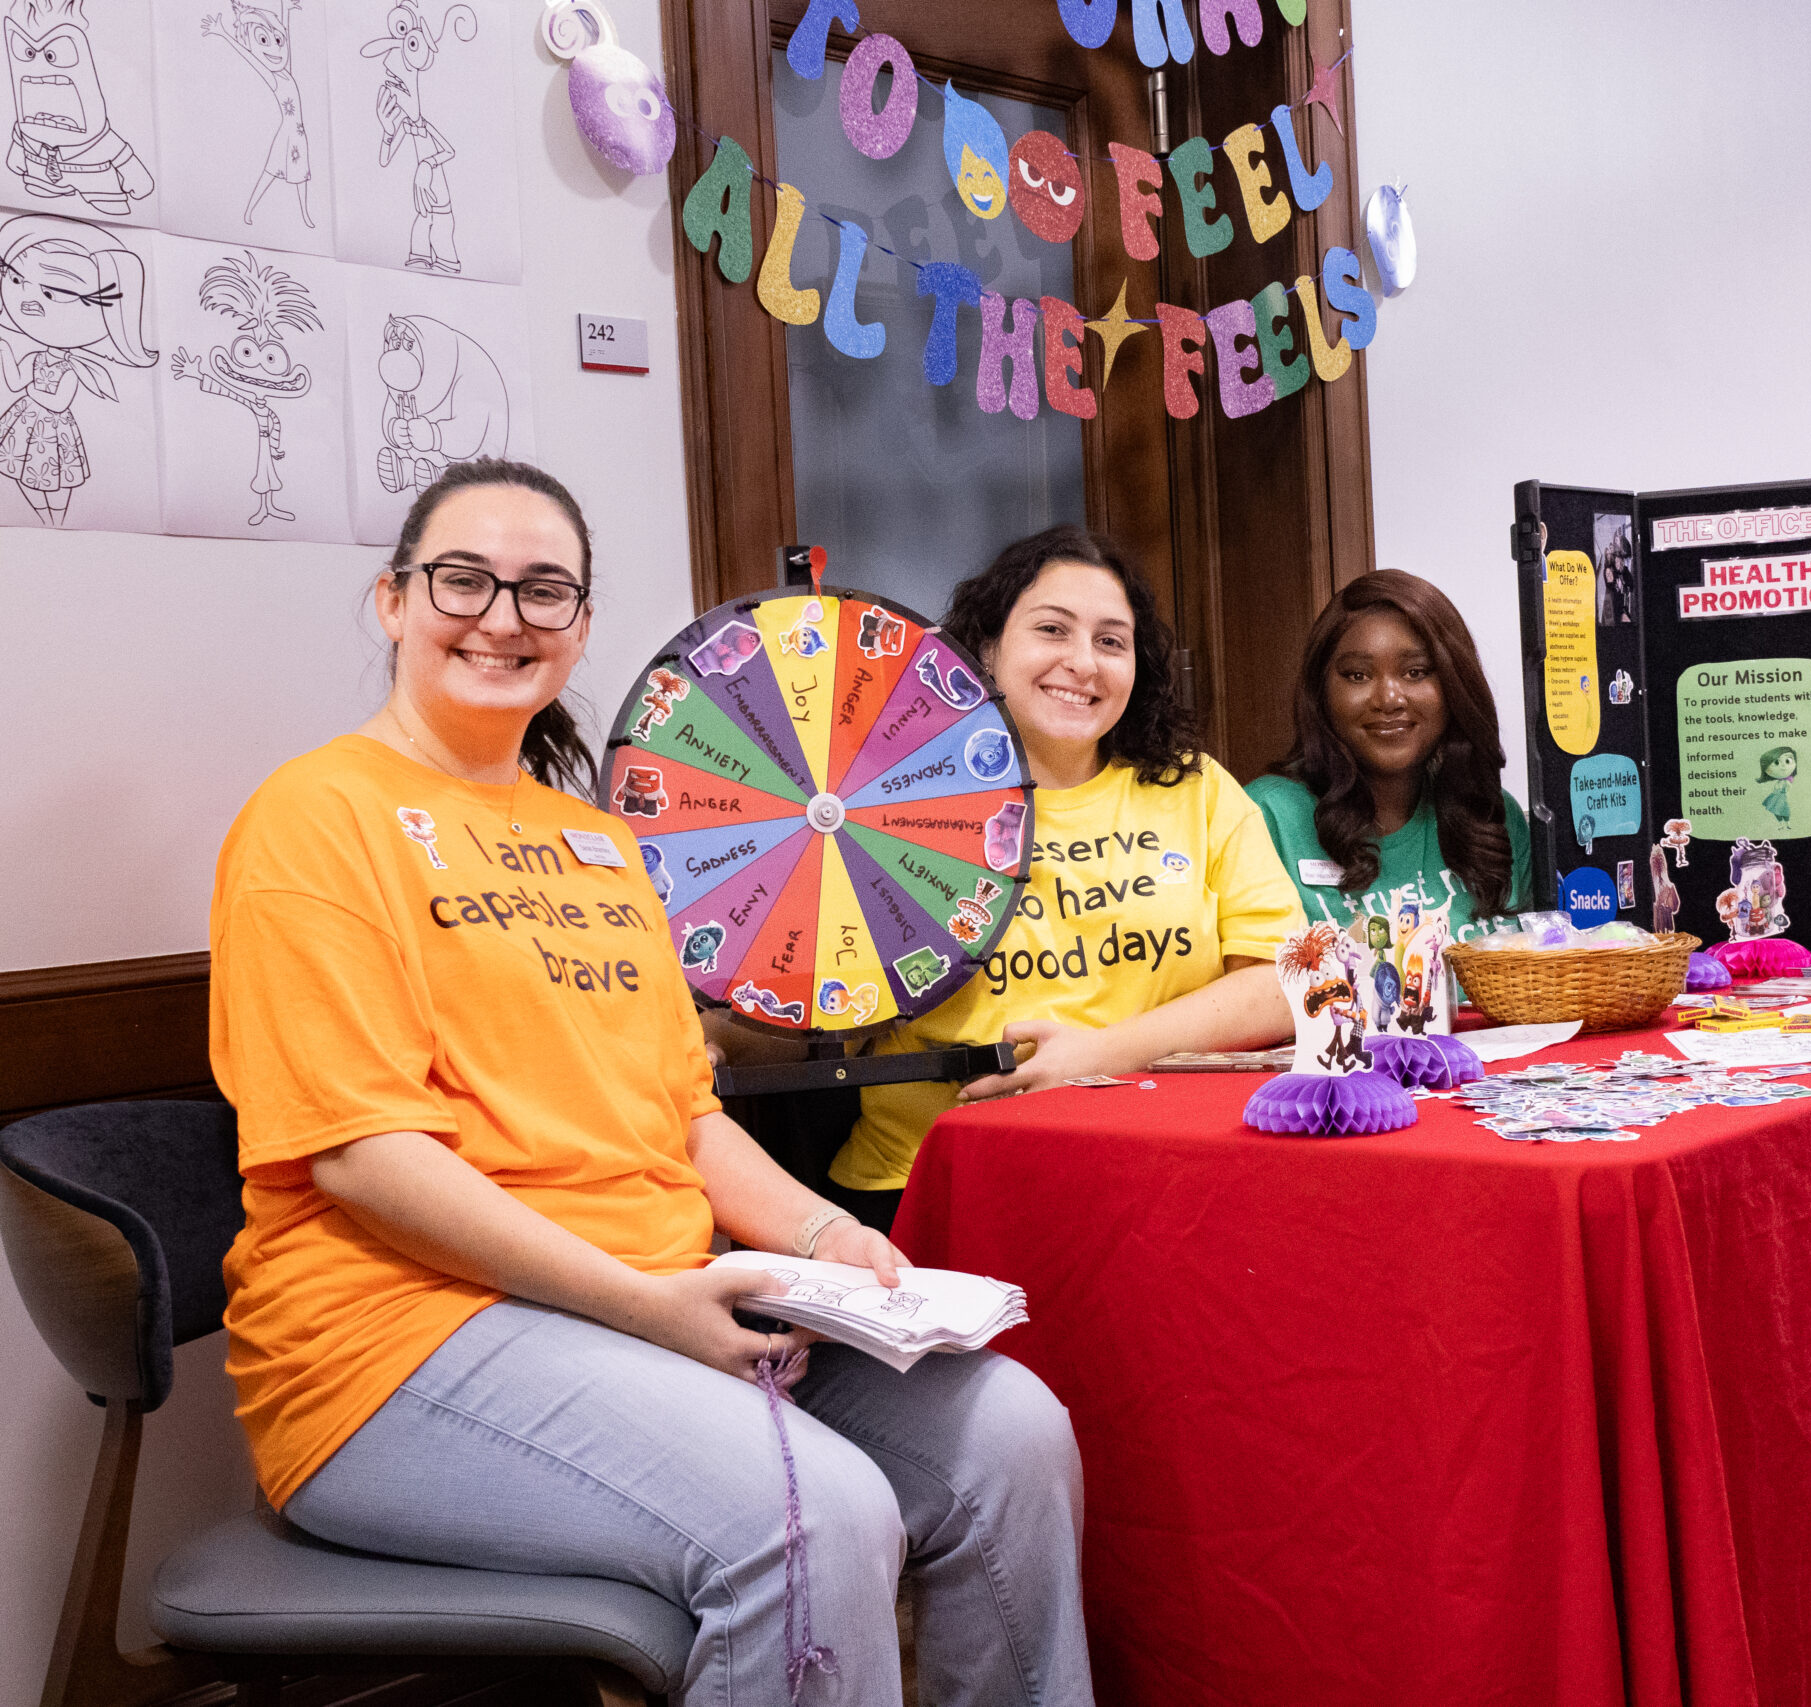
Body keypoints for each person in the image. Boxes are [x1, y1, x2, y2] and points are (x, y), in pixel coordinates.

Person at [211, 460, 1090, 1707]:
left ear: (577, 632)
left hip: (662, 1305)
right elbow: (367, 1158)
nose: (502, 617)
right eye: (464, 579)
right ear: (392, 601)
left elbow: (685, 1119)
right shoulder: (315, 818)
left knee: (1011, 1437)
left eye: (545, 592)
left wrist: (830, 1238)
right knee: (820, 1516)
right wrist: (646, 1305)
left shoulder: (606, 846)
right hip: (399, 1343)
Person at [827, 525, 1300, 1220]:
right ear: (985, 649)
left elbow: (1285, 982)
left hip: (1166, 1173)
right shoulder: (890, 801)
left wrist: (1103, 1052)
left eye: (1111, 641)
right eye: (1053, 629)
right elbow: (812, 978)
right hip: (933, 1185)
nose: (1083, 662)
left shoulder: (1193, 789)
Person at [1248, 569, 1531, 943]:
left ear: (1453, 685)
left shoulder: (1494, 817)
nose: (1389, 699)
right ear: (1321, 692)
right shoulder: (1265, 818)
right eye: (1358, 676)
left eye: (1415, 672)